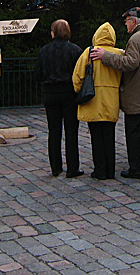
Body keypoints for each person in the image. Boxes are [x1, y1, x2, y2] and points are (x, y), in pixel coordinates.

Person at [91, 8, 140, 179]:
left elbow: (130, 64)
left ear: (134, 21)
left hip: (135, 95)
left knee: (133, 133)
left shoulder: (136, 38)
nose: (125, 25)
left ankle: (135, 168)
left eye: (127, 21)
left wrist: (106, 56)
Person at [73, 23, 123, 180]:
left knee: (96, 137)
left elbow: (77, 77)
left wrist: (78, 91)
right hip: (111, 99)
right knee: (109, 136)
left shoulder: (89, 52)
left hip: (92, 100)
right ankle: (110, 170)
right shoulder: (119, 54)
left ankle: (100, 170)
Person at [34, 19, 84, 178]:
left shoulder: (44, 51)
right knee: (71, 131)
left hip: (50, 93)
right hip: (69, 93)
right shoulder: (75, 50)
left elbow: (38, 74)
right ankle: (72, 168)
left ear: (53, 32)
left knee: (54, 131)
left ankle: (55, 167)